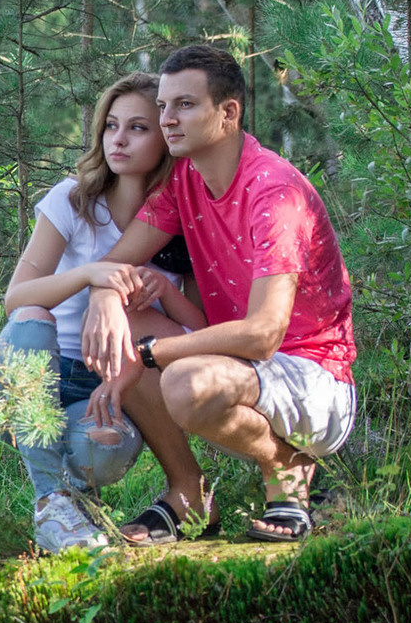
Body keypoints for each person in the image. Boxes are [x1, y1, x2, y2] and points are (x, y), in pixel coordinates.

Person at [77, 42, 359, 545]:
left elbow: (263, 335)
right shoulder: (184, 178)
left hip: (315, 380)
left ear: (228, 113)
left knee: (182, 380)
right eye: (163, 106)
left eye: (184, 105)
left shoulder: (274, 192)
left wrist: (151, 354)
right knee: (121, 318)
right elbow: (112, 264)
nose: (167, 119)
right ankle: (189, 494)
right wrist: (104, 295)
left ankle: (287, 469)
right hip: (236, 363)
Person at [0, 72, 207, 552]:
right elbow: (16, 298)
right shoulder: (72, 200)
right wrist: (94, 275)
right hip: (29, 373)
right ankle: (51, 501)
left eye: (138, 128)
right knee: (34, 318)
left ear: (168, 137)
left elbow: (201, 335)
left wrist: (165, 295)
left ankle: (78, 508)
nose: (119, 140)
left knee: (104, 449)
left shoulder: (180, 227)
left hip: (105, 390)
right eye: (110, 126)